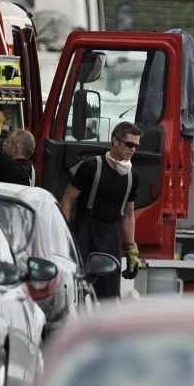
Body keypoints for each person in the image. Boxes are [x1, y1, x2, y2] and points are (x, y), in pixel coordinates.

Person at [58, 121, 142, 300]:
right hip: (84, 232)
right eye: (129, 144)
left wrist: (132, 250)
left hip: (111, 235)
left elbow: (128, 215)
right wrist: (64, 239)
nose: (133, 149)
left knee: (109, 295)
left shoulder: (132, 177)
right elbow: (67, 200)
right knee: (78, 290)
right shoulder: (91, 166)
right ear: (115, 141)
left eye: (136, 146)